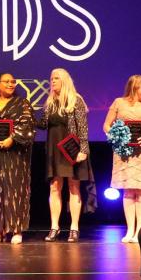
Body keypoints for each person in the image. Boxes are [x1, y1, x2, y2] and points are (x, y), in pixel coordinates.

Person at [39, 68, 96, 243]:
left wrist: (83, 150)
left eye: (56, 78)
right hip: (55, 150)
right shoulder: (50, 102)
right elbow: (43, 124)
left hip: (72, 149)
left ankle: (74, 228)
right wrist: (27, 117)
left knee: (74, 187)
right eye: (51, 78)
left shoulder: (75, 100)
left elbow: (83, 127)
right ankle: (54, 227)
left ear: (64, 80)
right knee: (55, 187)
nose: (52, 81)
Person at [103, 74, 141, 243]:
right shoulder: (118, 103)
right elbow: (106, 125)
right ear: (134, 86)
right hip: (124, 152)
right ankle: (130, 230)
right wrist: (116, 136)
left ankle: (139, 232)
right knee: (128, 190)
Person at [0, 72, 34, 245]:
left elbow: (27, 125)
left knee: (16, 190)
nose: (11, 84)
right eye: (7, 82)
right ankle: (1, 229)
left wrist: (12, 139)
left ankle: (17, 229)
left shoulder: (22, 103)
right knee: (0, 191)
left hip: (17, 154)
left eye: (13, 81)